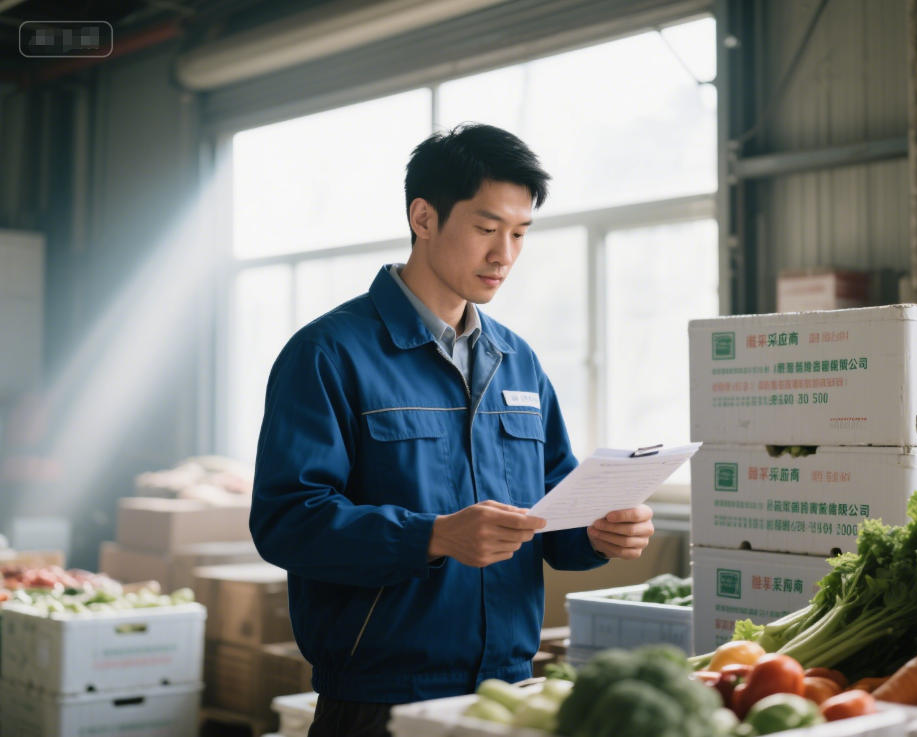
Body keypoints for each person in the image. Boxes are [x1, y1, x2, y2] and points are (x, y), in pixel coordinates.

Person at [250, 124, 656, 737]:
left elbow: (553, 512)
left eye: (520, 234)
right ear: (424, 218)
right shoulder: (329, 353)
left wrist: (601, 532)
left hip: (506, 691)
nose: (505, 255)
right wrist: (432, 538)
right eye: (487, 229)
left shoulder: (517, 360)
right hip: (378, 698)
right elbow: (288, 521)